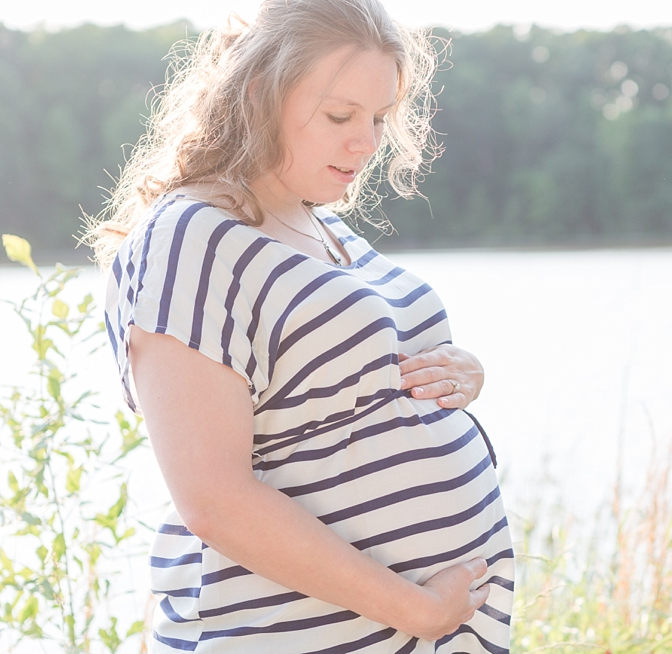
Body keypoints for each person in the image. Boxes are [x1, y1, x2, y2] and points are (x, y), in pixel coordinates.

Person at [88, 1, 514, 652]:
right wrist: (419, 610)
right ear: (261, 94)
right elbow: (214, 499)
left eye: (378, 118)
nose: (367, 142)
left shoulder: (319, 228)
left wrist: (464, 372)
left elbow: (350, 387)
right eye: (341, 115)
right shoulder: (193, 238)